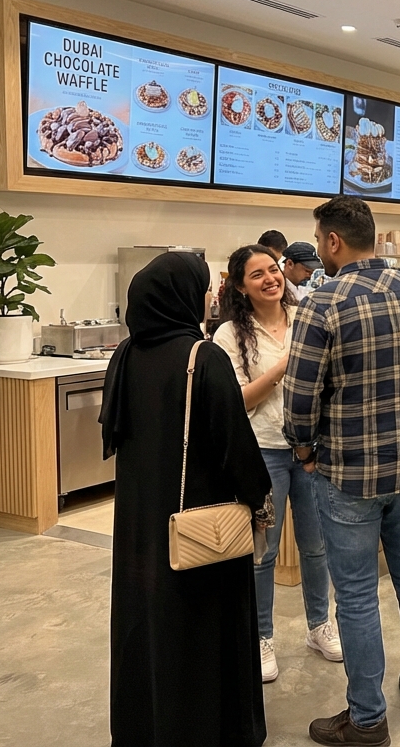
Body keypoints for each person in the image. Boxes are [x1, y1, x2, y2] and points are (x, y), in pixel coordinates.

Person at [284, 196, 400, 745]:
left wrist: (304, 451)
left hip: (349, 476)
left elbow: (300, 398)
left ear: (332, 241)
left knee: (354, 594)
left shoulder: (321, 302)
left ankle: (367, 716)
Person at [102, 251, 272, 747]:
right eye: (201, 287)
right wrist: (259, 496)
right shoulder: (203, 357)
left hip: (141, 520)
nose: (207, 296)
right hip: (201, 521)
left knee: (146, 625)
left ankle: (146, 726)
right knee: (202, 629)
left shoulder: (127, 355)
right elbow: (234, 443)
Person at [213, 245, 341, 686]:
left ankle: (319, 626)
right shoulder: (229, 335)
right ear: (240, 285)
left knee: (317, 545)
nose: (270, 279)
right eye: (257, 275)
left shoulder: (307, 315)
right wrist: (286, 367)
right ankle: (262, 636)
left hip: (312, 449)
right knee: (261, 553)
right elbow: (237, 400)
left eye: (273, 270)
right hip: (263, 452)